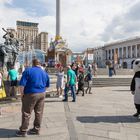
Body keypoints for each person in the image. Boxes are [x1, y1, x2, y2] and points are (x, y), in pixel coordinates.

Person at [16, 59, 50, 137]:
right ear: (40, 64)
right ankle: (36, 129)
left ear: (33, 63)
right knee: (39, 112)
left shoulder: (28, 71)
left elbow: (22, 85)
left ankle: (23, 130)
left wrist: (22, 94)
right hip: (42, 93)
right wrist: (42, 91)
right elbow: (47, 85)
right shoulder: (44, 72)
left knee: (26, 112)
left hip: (31, 93)